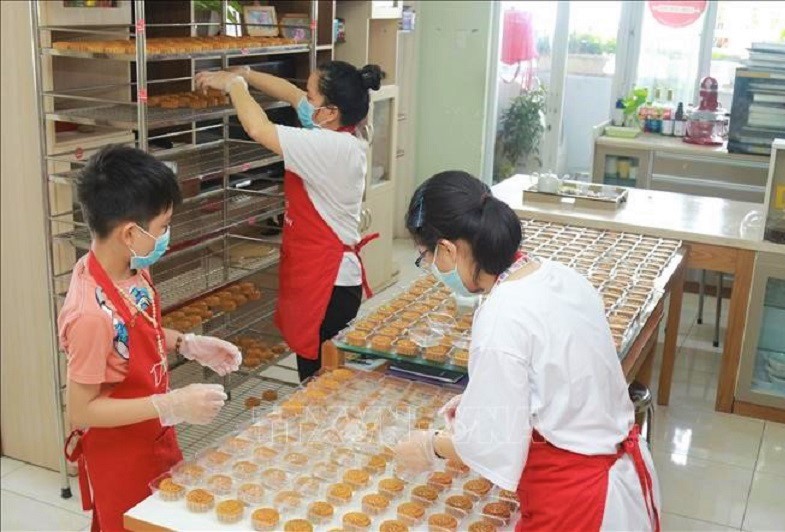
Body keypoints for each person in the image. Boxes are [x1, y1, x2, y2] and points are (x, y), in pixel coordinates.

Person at [393, 171, 661, 531]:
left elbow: (494, 448)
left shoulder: (501, 315)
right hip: (615, 473)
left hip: (576, 501)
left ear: (448, 249)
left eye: (426, 257)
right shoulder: (556, 274)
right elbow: (557, 381)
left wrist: (431, 445)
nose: (431, 269)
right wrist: (480, 402)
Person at [59, 145, 241, 532]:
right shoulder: (90, 316)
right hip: (121, 455)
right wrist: (170, 403)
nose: (165, 236)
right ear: (130, 233)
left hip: (154, 435)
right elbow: (82, 410)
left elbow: (136, 331)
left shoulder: (130, 267)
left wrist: (186, 343)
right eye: (162, 227)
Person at [195, 60, 384, 382]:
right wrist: (248, 74)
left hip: (329, 283)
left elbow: (258, 129)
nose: (305, 102)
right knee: (317, 375)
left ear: (330, 112)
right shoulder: (337, 131)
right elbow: (291, 94)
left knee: (319, 381)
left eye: (312, 97)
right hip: (322, 274)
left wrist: (234, 86)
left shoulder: (329, 146)